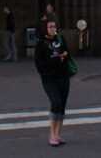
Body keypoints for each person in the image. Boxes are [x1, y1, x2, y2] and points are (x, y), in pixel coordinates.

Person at [34, 19, 73, 147]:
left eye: (54, 26)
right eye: (50, 26)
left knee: (61, 105)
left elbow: (67, 54)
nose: (52, 28)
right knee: (55, 102)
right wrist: (55, 60)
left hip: (63, 76)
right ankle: (51, 134)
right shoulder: (41, 44)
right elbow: (39, 64)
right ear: (45, 28)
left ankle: (57, 134)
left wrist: (64, 56)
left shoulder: (60, 39)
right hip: (49, 78)